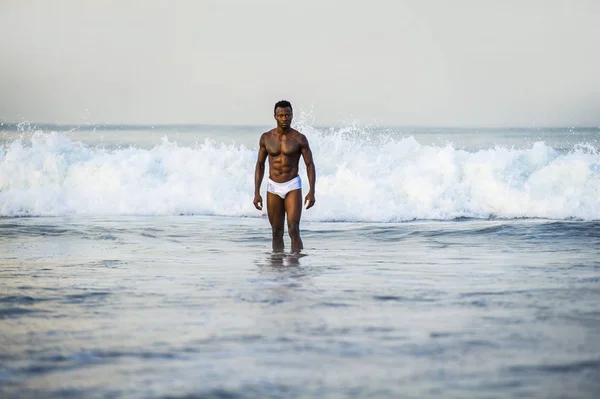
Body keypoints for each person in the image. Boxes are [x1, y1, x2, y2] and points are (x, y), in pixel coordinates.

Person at [253, 100, 316, 252]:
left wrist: (311, 191)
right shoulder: (266, 138)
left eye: (287, 115)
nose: (284, 118)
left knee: (293, 228)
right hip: (273, 186)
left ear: (292, 115)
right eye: (280, 115)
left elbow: (310, 165)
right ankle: (278, 269)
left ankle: (295, 265)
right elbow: (260, 165)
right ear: (275, 116)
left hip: (292, 185)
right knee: (276, 232)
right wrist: (256, 192)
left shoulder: (299, 139)